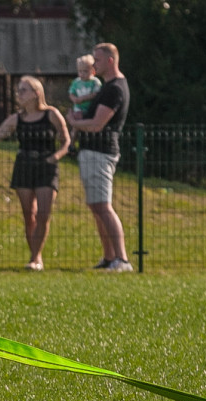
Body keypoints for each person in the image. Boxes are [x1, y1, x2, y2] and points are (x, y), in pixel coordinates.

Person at [0, 76, 70, 271]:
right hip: (24, 166)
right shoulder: (16, 119)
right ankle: (35, 257)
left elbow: (66, 141)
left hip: (46, 167)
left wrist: (56, 157)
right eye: (19, 90)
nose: (19, 94)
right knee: (29, 214)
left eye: (23, 90)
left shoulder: (51, 114)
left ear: (36, 93)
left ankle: (36, 258)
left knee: (44, 214)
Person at [65, 42, 133, 272]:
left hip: (101, 151)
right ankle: (108, 258)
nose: (94, 64)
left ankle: (122, 260)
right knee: (96, 206)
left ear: (110, 61)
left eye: (98, 60)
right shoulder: (105, 87)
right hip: (91, 151)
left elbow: (97, 124)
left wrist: (73, 123)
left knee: (103, 206)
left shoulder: (114, 88)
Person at [67, 54, 102, 156]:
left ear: (93, 71)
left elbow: (96, 94)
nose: (82, 74)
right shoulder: (76, 82)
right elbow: (71, 93)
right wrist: (75, 99)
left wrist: (82, 98)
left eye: (85, 71)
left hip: (90, 110)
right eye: (80, 71)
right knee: (75, 128)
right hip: (78, 109)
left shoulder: (95, 82)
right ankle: (71, 145)